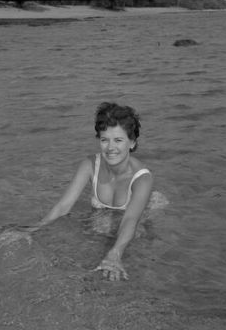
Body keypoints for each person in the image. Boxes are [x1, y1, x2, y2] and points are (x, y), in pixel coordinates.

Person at [12, 102, 153, 281]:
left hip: (134, 220)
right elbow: (64, 206)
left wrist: (115, 254)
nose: (110, 148)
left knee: (129, 256)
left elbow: (130, 220)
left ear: (132, 143)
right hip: (104, 219)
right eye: (104, 140)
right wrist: (33, 229)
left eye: (118, 140)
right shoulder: (90, 165)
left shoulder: (142, 179)